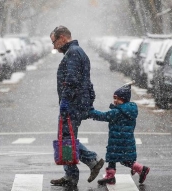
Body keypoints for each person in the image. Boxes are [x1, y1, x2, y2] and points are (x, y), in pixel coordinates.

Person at [49, 26, 104, 187]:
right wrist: (89, 99)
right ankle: (71, 174)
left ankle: (91, 161)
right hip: (78, 102)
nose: (54, 46)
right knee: (67, 138)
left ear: (63, 38)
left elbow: (72, 80)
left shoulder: (73, 53)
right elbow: (86, 80)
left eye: (54, 42)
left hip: (73, 103)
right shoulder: (78, 52)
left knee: (66, 139)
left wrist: (65, 101)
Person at [88, 82, 150, 185]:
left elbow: (104, 116)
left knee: (116, 158)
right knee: (122, 159)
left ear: (124, 99)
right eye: (114, 98)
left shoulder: (117, 112)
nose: (115, 101)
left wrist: (91, 112)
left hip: (117, 140)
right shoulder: (130, 111)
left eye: (117, 99)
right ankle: (138, 170)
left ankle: (140, 169)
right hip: (126, 140)